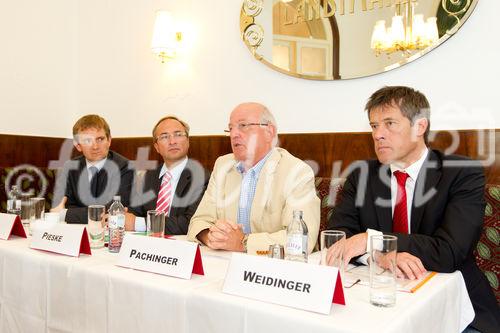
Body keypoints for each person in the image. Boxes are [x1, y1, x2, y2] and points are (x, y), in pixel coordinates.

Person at [327, 86, 499, 333]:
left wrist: (371, 239)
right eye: (374, 126)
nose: (378, 135)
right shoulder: (362, 174)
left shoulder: (461, 173)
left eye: (389, 123)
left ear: (420, 127)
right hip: (377, 303)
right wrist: (379, 254)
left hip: (455, 309)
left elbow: (449, 252)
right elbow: (339, 236)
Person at [187, 102, 320, 255]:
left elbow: (300, 240)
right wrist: (211, 237)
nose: (234, 134)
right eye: (230, 128)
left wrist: (243, 243)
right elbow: (199, 222)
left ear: (269, 131)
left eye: (243, 126)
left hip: (272, 270)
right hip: (224, 261)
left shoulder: (297, 172)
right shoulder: (223, 165)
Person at [126, 116, 209, 234]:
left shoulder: (202, 177)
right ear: (157, 147)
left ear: (188, 141)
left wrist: (138, 223)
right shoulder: (148, 176)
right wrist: (123, 216)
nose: (172, 141)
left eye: (178, 134)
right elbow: (136, 211)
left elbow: (190, 223)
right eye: (164, 137)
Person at [51, 114, 134, 223]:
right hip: (74, 231)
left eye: (100, 139)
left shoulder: (124, 167)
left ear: (109, 140)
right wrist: (66, 212)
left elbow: (112, 210)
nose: (95, 146)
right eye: (87, 141)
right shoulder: (70, 167)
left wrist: (64, 214)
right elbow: (63, 206)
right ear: (78, 146)